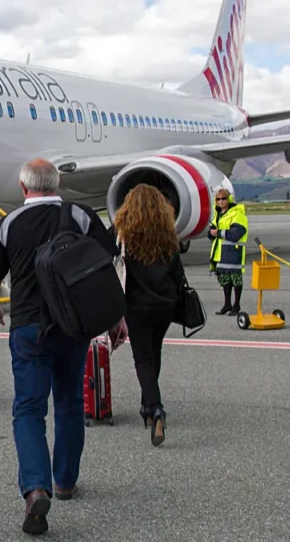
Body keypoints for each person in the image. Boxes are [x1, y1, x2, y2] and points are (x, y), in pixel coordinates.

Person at [0, 158, 121, 535]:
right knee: (70, 402)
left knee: (28, 409)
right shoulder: (80, 216)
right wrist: (115, 316)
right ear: (56, 185)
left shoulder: (9, 223)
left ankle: (36, 488)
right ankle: (65, 481)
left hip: (28, 328)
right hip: (74, 325)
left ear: (24, 188)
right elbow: (107, 266)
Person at [113, 183, 187, 446]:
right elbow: (178, 274)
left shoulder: (123, 236)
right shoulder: (169, 236)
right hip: (165, 304)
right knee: (155, 352)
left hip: (136, 305)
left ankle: (155, 408)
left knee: (142, 357)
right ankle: (147, 406)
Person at [209, 188, 248, 316]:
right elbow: (212, 231)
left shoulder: (237, 214)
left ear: (229, 199)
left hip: (233, 252)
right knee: (225, 280)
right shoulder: (219, 214)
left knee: (236, 279)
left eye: (223, 198)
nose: (221, 201)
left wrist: (218, 233)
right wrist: (211, 233)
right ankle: (227, 304)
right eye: (218, 199)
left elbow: (237, 233)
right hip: (221, 253)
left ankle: (236, 305)